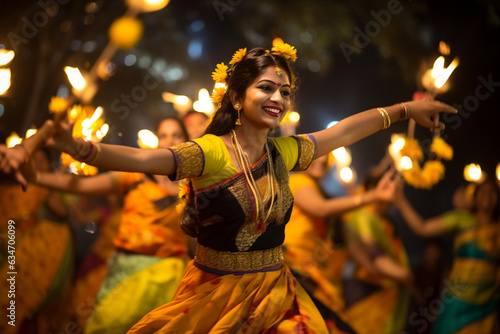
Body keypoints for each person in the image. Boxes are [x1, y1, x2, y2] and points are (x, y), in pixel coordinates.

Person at [1, 42, 457, 332]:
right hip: (213, 295)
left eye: (284, 91)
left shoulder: (286, 153)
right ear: (238, 98)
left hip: (276, 292)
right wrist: (78, 147)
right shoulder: (210, 152)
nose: (277, 97)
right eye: (265, 88)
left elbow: (341, 132)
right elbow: (141, 159)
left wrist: (402, 110)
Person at [19, 117, 193, 333]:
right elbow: (82, 185)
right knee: (107, 326)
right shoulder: (135, 176)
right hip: (126, 272)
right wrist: (36, 176)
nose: (170, 140)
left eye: (177, 135)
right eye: (164, 135)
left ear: (186, 140)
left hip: (170, 279)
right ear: (156, 140)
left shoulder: (193, 187)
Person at [283, 154, 397, 333]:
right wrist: (372, 195)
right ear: (300, 156)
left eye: (325, 156)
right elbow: (321, 208)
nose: (321, 160)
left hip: (312, 273)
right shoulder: (298, 181)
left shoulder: (321, 192)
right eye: (315, 155)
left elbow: (353, 244)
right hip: (292, 267)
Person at [395, 178, 500, 334]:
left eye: (492, 192)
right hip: (457, 296)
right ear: (475, 196)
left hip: (487, 299)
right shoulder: (461, 219)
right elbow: (422, 228)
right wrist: (400, 200)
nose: (487, 196)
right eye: (483, 191)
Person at [0, 148, 74, 334]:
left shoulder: (53, 185)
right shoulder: (13, 183)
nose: (38, 163)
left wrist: (50, 187)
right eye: (34, 159)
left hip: (41, 248)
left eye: (42, 160)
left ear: (49, 163)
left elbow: (63, 214)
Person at [341, 169, 420, 334]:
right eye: (387, 187)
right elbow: (373, 254)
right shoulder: (363, 217)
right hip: (368, 290)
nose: (392, 192)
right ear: (372, 189)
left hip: (389, 292)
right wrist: (403, 275)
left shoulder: (386, 223)